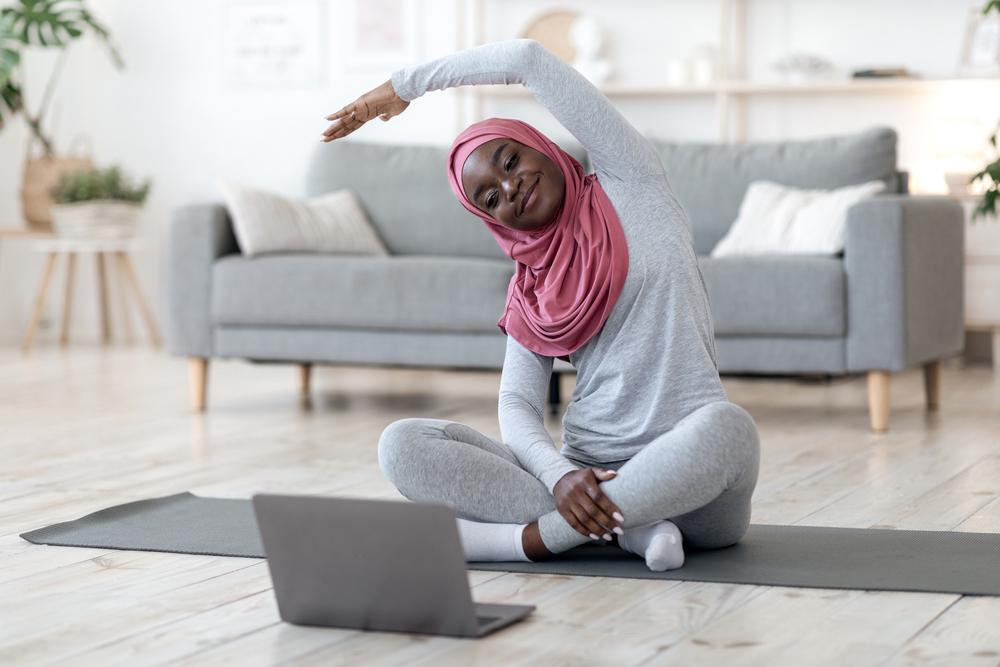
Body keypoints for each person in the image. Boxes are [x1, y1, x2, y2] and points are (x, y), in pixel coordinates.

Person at [321, 39, 760, 571]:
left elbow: (528, 59)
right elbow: (518, 407)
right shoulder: (530, 288)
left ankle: (531, 542)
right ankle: (628, 529)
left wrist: (403, 87)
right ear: (491, 220)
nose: (511, 186)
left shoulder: (632, 180)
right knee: (403, 443)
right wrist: (559, 477)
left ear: (540, 146)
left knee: (729, 428)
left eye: (511, 160)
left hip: (692, 480)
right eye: (489, 197)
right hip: (584, 476)